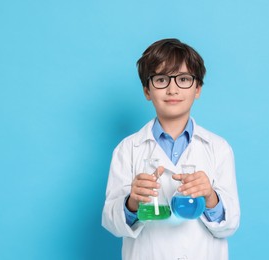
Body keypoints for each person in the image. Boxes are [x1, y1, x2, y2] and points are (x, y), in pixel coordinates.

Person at [102, 38, 240, 260]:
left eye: (184, 79)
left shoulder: (218, 148)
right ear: (147, 90)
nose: (172, 88)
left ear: (197, 89)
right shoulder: (127, 149)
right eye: (161, 79)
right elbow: (112, 223)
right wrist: (132, 202)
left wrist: (210, 196)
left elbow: (230, 225)